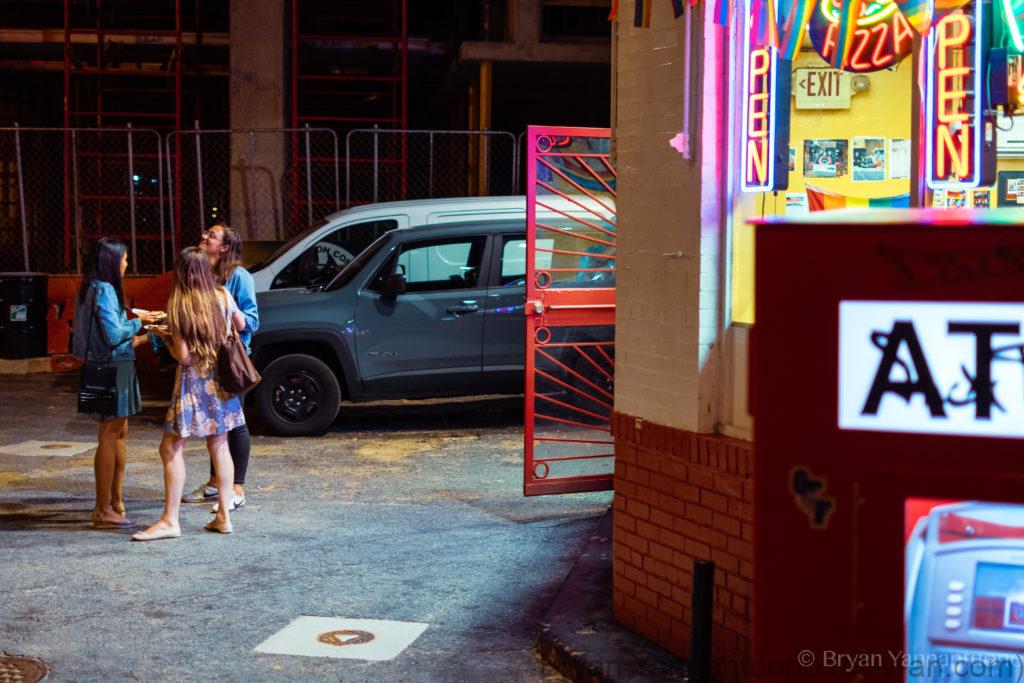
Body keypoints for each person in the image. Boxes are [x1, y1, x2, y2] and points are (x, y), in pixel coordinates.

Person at [131, 247, 247, 541]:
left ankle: (170, 521)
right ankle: (223, 515)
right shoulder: (222, 294)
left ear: (181, 273)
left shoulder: (180, 304)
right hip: (220, 380)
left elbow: (183, 356)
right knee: (220, 445)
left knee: (170, 448)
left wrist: (165, 336)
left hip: (193, 383)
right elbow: (242, 324)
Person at [73, 237, 160, 528]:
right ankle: (102, 507)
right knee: (109, 435)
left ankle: (115, 500)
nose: (126, 263)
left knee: (119, 432)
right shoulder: (105, 289)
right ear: (111, 261)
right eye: (123, 259)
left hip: (102, 366)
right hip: (112, 369)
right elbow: (114, 333)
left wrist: (147, 334)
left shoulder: (88, 288)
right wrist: (142, 320)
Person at [180, 223, 259, 512]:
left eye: (211, 236)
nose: (204, 237)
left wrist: (227, 310)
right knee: (215, 425)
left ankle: (237, 488)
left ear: (224, 247)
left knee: (235, 423)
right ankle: (216, 483)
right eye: (205, 233)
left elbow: (252, 321)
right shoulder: (203, 272)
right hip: (205, 361)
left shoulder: (239, 277)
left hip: (229, 361)